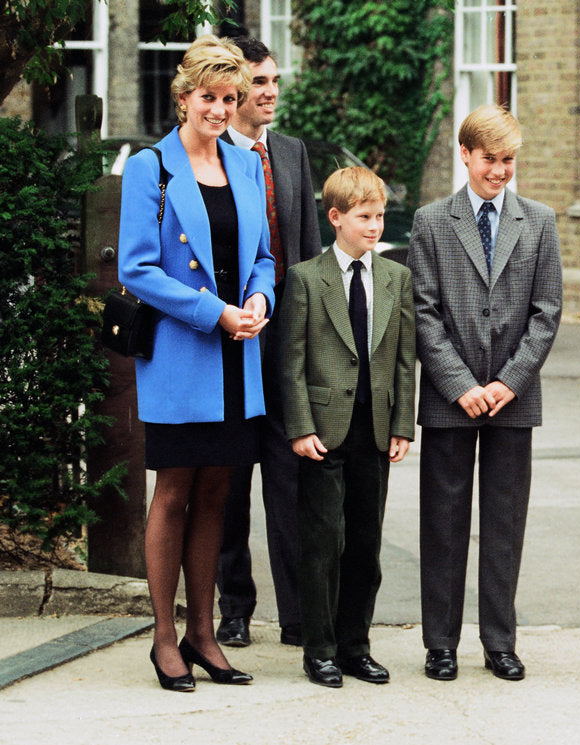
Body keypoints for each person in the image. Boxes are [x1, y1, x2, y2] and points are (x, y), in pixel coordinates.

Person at [118, 35, 277, 691]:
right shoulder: (149, 168)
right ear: (184, 97)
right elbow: (136, 268)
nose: (219, 109)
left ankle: (204, 633)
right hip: (185, 356)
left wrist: (261, 295)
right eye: (208, 97)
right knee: (175, 492)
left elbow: (263, 255)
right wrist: (215, 312)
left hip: (240, 357)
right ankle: (164, 639)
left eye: (228, 98)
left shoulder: (244, 165)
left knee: (219, 492)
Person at [408, 104, 562, 682]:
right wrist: (460, 386)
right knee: (443, 522)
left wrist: (507, 382)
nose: (499, 171)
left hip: (512, 398)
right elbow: (424, 314)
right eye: (489, 160)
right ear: (465, 155)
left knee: (504, 522)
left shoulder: (539, 221)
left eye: (508, 161)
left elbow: (547, 313)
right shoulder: (431, 221)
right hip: (452, 400)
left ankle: (499, 640)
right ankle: (440, 642)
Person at [279, 166, 415, 687]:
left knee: (365, 542)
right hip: (322, 430)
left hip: (374, 430)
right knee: (322, 541)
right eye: (364, 217)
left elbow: (405, 359)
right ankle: (320, 649)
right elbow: (290, 362)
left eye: (379, 216)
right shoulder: (308, 278)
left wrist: (402, 423)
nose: (375, 226)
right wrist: (298, 426)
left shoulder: (395, 278)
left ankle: (356, 644)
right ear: (335, 218)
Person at [215, 35, 321, 650]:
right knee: (230, 483)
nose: (271, 92)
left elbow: (306, 251)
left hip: (286, 343)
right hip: (230, 341)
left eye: (274, 81)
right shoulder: (205, 157)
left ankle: (298, 613)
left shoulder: (290, 152)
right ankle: (234, 607)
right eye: (259, 83)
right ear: (231, 92)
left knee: (291, 479)